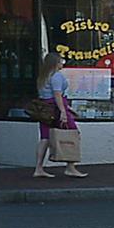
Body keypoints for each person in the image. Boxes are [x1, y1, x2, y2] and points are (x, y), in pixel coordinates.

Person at [33, 51, 88, 180]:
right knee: (73, 133)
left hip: (45, 110)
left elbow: (46, 95)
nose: (62, 63)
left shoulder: (43, 77)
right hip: (57, 108)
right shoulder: (57, 76)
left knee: (45, 138)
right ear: (56, 63)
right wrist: (64, 111)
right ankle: (70, 167)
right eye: (61, 61)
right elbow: (57, 95)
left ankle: (38, 168)